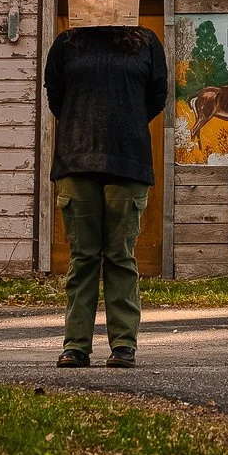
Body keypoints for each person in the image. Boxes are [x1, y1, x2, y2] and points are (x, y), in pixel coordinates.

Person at [44, 19, 168, 367]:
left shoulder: (145, 41)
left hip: (128, 162)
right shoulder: (68, 42)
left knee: (119, 255)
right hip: (76, 159)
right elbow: (55, 95)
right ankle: (76, 346)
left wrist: (123, 123)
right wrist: (83, 124)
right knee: (83, 257)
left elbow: (157, 96)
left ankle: (124, 345)